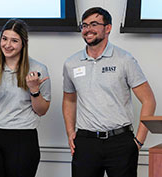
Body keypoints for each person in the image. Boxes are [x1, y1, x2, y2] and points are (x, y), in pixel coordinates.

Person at [62, 7, 156, 177]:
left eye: (94, 24)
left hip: (120, 142)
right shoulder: (71, 63)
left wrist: (138, 141)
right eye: (84, 25)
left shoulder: (124, 59)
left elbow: (149, 100)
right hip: (85, 143)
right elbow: (69, 100)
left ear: (108, 28)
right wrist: (70, 133)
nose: (87, 29)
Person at [0, 18, 51, 177]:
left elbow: (42, 110)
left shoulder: (38, 69)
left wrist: (34, 90)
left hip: (23, 137)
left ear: (24, 43)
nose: (7, 45)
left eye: (14, 41)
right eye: (4, 39)